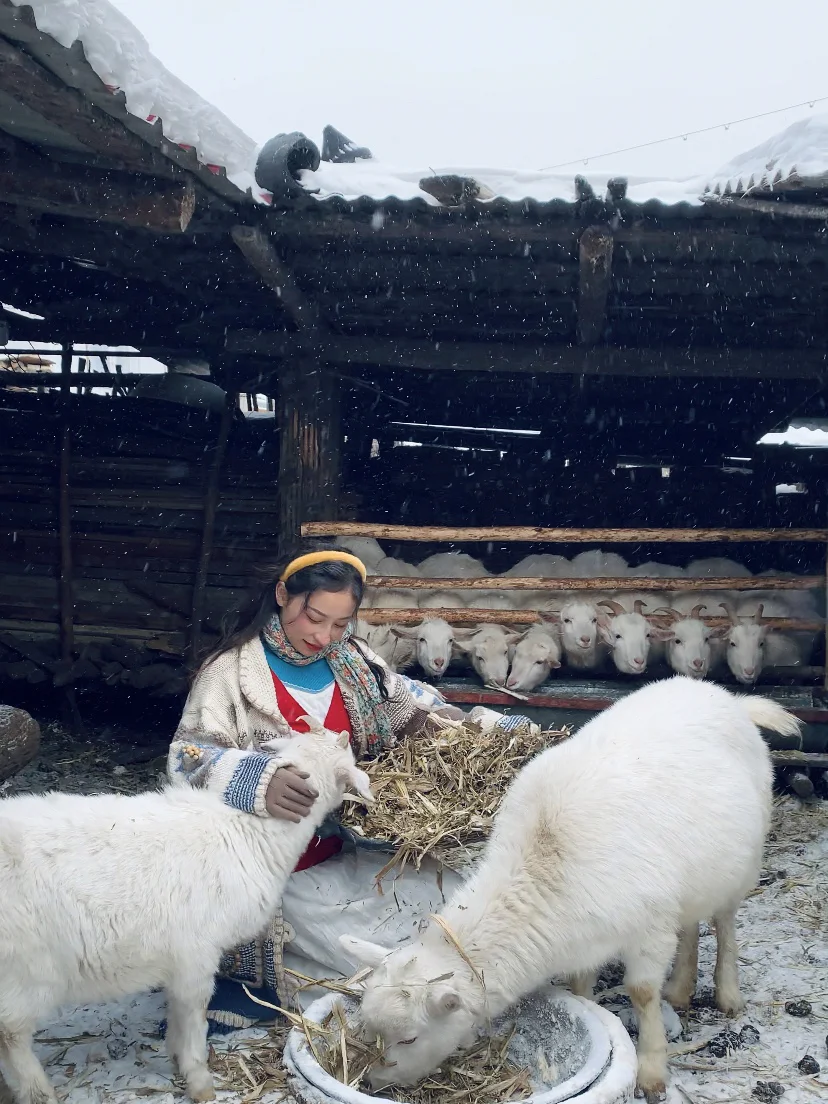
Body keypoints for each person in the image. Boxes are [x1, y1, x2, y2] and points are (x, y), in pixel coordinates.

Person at [168, 541, 467, 1033]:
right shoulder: (232, 674)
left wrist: (489, 731)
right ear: (283, 594)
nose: (324, 635)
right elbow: (187, 758)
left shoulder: (353, 663)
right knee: (379, 957)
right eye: (313, 617)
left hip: (342, 852)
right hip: (270, 877)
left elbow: (416, 706)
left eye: (339, 624)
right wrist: (254, 781)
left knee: (450, 904)